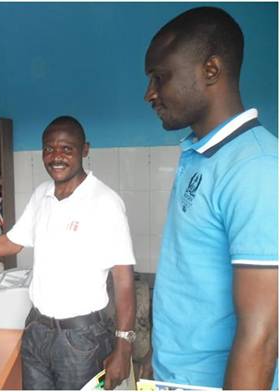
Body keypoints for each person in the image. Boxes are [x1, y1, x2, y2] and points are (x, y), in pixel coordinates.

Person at [0, 116, 137, 389]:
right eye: (49, 148)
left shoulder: (105, 202)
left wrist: (124, 347)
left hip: (81, 340)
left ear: (84, 150)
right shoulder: (42, 194)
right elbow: (11, 242)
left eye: (66, 148)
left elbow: (124, 280)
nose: (56, 156)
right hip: (38, 330)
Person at [143, 7, 278, 389]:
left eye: (159, 77)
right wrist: (161, 355)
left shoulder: (257, 167)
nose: (149, 93)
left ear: (211, 70)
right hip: (178, 377)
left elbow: (262, 336)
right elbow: (192, 277)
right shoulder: (201, 154)